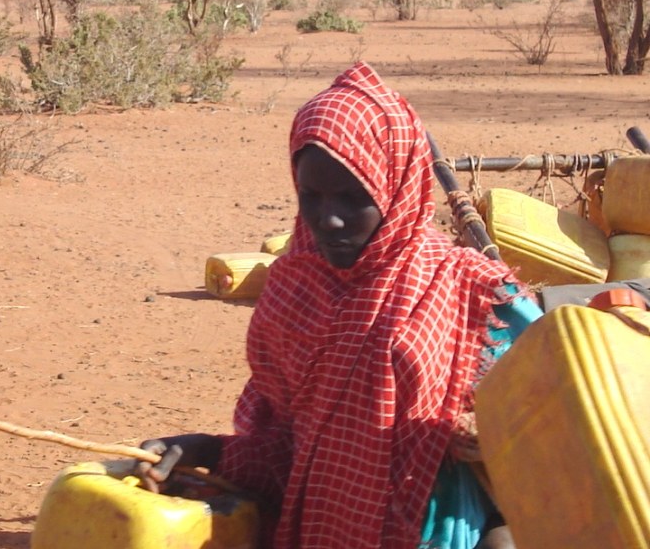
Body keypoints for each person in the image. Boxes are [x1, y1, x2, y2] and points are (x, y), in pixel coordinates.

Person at [136, 61, 542, 549]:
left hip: (439, 531)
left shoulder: (470, 289)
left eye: (353, 198)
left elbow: (554, 424)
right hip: (321, 528)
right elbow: (291, 447)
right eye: (311, 195)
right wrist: (206, 451)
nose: (328, 220)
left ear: (397, 188)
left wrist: (478, 441)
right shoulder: (292, 294)